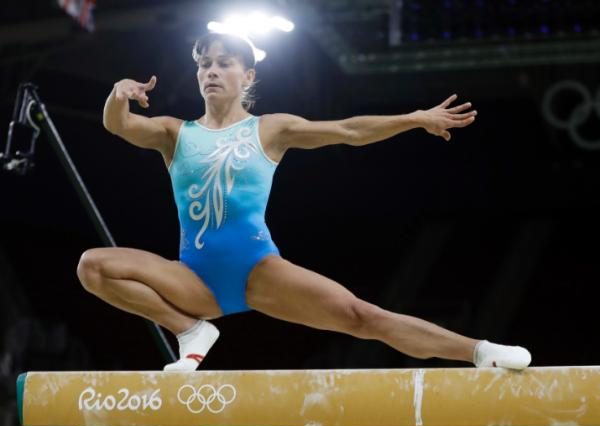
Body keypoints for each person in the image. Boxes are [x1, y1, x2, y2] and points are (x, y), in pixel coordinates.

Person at [76, 32, 531, 372]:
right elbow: (119, 125)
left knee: (362, 316)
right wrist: (118, 95)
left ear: (247, 76)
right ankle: (190, 330)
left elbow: (348, 131)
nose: (211, 71)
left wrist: (413, 118)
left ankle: (479, 351)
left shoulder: (270, 129)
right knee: (92, 267)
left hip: (258, 269)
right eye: (204, 64)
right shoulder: (174, 132)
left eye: (224, 63)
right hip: (194, 281)